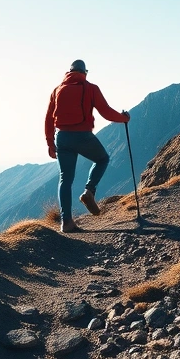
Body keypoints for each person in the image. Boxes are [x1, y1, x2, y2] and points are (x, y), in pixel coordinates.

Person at [45, 59, 130, 233]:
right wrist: (124, 118)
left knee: (65, 179)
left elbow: (48, 119)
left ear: (68, 72)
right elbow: (106, 112)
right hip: (83, 136)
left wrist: (50, 144)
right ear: (85, 72)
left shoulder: (57, 90)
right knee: (102, 159)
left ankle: (66, 222)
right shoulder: (90, 88)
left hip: (62, 137)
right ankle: (89, 191)